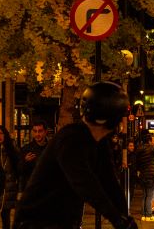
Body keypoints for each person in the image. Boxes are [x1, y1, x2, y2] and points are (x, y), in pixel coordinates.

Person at [12, 82, 137, 229]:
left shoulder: (100, 141)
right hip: (36, 221)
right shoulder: (70, 139)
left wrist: (124, 217)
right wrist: (117, 219)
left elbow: (109, 181)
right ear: (109, 119)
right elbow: (84, 183)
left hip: (63, 220)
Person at [0, 126, 19, 229]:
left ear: (5, 135)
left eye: (1, 133)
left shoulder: (12, 151)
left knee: (6, 217)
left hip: (9, 189)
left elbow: (18, 170)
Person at [132, 133, 154, 221]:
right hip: (151, 176)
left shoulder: (139, 150)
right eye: (153, 140)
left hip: (143, 175)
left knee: (144, 195)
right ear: (149, 141)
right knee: (150, 196)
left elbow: (136, 163)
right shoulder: (151, 149)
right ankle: (149, 215)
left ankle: (144, 215)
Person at [15, 122, 49, 195]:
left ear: (46, 132)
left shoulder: (51, 148)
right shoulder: (26, 149)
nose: (37, 134)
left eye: (40, 131)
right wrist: (25, 161)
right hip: (32, 189)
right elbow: (19, 171)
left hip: (48, 188)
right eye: (35, 131)